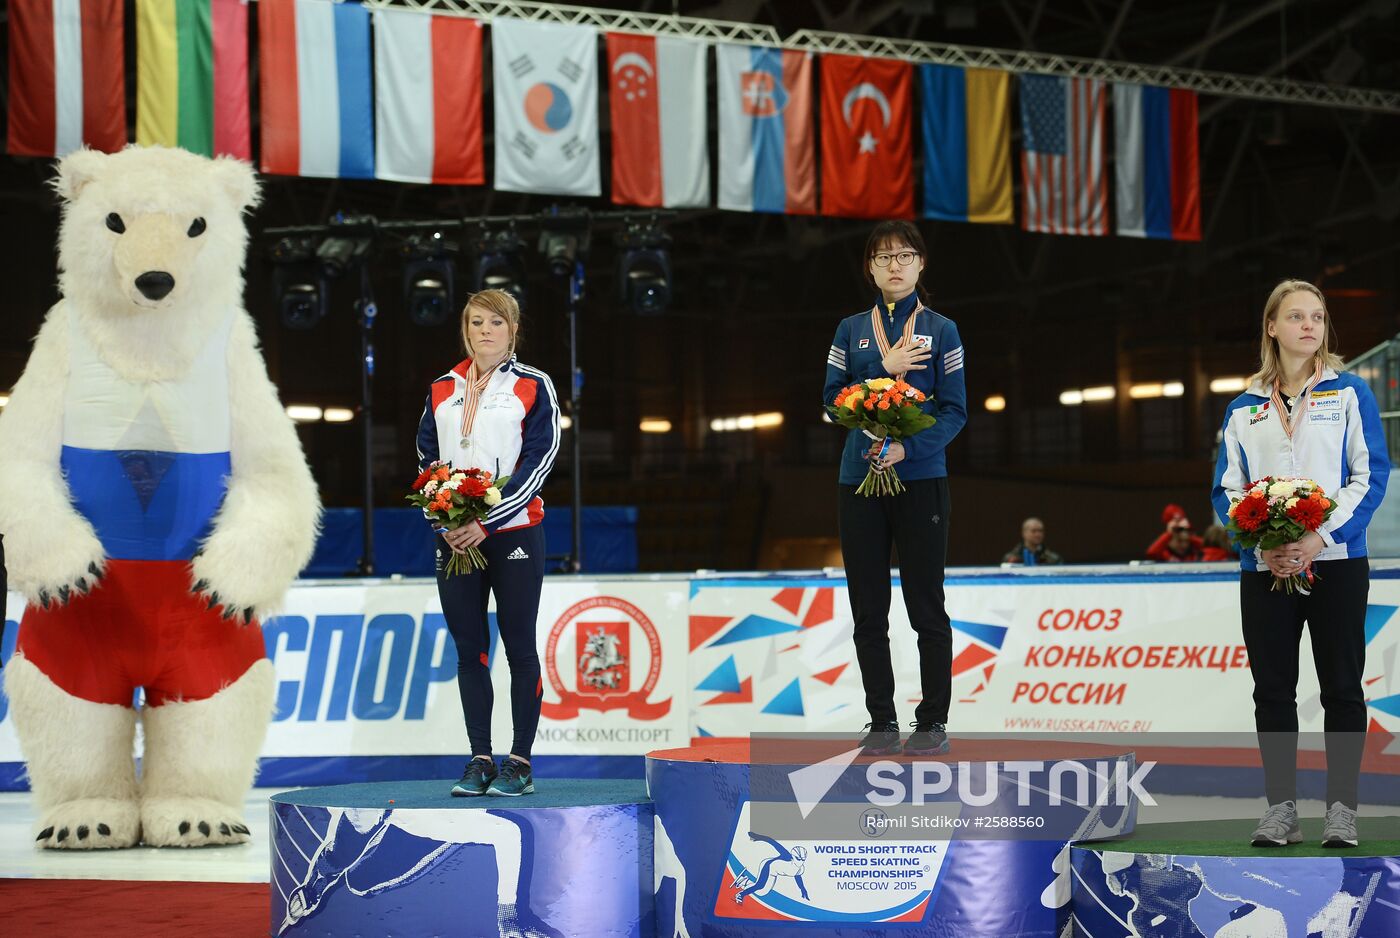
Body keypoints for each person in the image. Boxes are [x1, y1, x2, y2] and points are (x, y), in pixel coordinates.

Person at [1211, 279, 1389, 848]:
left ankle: (1342, 809)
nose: (1309, 325)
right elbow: (1226, 490)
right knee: (1272, 689)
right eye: (1295, 316)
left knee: (1342, 687)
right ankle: (1280, 809)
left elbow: (1371, 476)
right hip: (1264, 569)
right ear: (1272, 327)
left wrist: (1321, 538)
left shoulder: (1350, 393)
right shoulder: (1244, 407)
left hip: (1335, 563)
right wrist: (1259, 545)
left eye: (1317, 316)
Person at [822, 220, 968, 757]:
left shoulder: (943, 330)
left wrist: (911, 449)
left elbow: (955, 412)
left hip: (921, 479)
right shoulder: (850, 329)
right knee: (868, 608)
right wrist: (881, 370)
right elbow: (831, 402)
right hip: (857, 479)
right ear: (870, 269)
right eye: (883, 258)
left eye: (904, 255)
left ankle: (932, 722)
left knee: (926, 604)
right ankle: (881, 721)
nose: (894, 265)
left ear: (921, 264)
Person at [416, 289, 560, 797]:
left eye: (495, 323)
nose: (484, 331)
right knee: (469, 650)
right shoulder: (441, 387)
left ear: (512, 330)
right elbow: (426, 457)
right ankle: (480, 759)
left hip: (515, 532)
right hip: (456, 539)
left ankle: (518, 761)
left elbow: (540, 460)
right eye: (476, 322)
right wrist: (444, 521)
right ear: (466, 330)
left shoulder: (533, 385)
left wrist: (488, 521)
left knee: (519, 646)